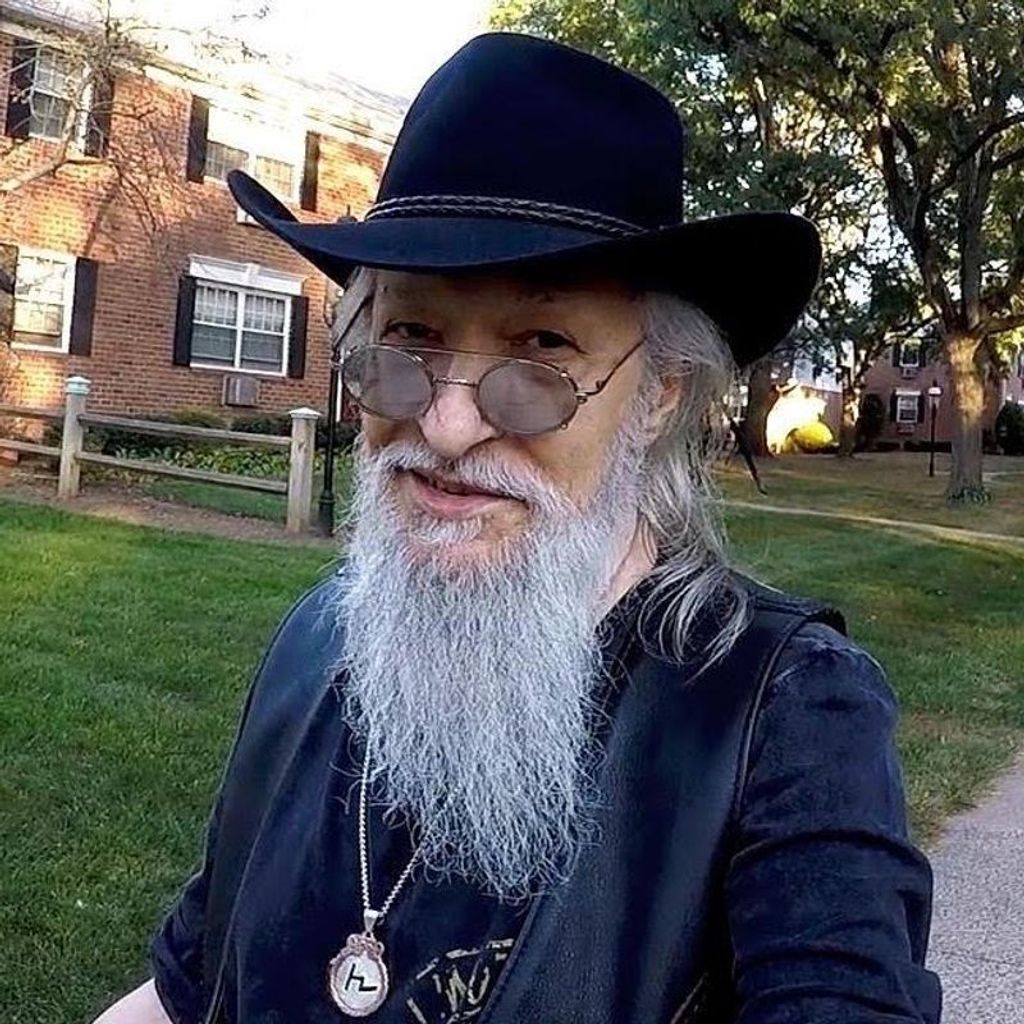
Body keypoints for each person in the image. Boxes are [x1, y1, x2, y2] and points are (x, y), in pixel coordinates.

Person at [93, 32, 942, 1024]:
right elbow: (185, 991)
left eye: (542, 348)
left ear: (660, 393)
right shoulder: (314, 644)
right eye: (410, 335)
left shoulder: (786, 714)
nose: (448, 426)